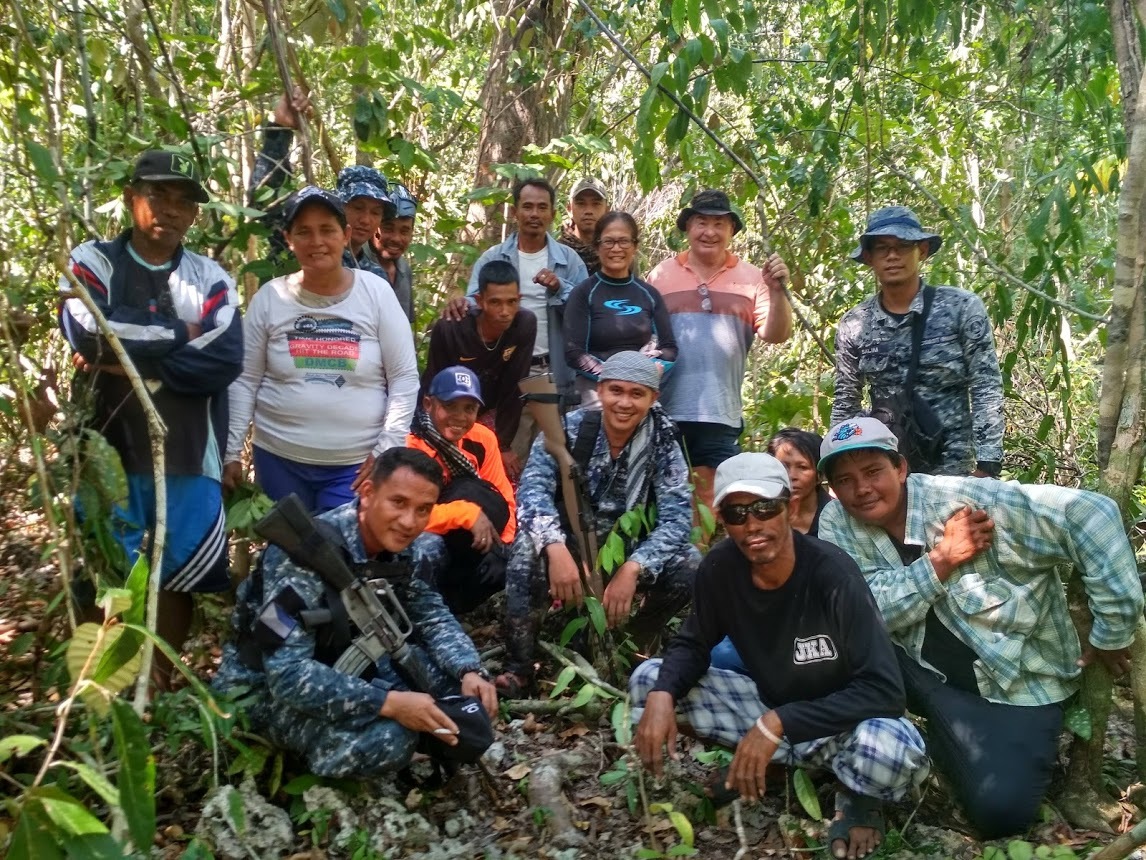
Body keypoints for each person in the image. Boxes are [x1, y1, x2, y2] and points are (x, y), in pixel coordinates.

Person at [817, 417, 1144, 838]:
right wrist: (943, 559)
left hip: (1013, 684)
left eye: (872, 471)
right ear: (832, 489)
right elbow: (863, 614)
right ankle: (867, 773)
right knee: (828, 643)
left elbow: (1092, 513)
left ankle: (946, 741)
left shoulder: (966, 502)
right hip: (914, 666)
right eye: (844, 480)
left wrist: (1112, 631)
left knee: (1001, 813)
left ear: (900, 468)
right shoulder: (838, 525)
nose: (861, 489)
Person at [632, 452, 928, 860]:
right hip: (768, 705)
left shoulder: (832, 573)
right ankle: (773, 766)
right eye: (737, 514)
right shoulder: (720, 569)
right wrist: (665, 694)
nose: (753, 525)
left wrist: (776, 724)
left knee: (889, 749)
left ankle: (857, 794)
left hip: (840, 726)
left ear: (789, 508)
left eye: (764, 508)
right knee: (650, 682)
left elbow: (885, 692)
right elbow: (694, 643)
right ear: (721, 519)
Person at [59, 149, 243, 686]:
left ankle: (158, 685)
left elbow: (225, 356)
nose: (170, 209)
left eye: (183, 200)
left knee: (181, 572)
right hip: (106, 448)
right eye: (157, 194)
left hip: (190, 448)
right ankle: (96, 691)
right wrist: (182, 335)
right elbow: (88, 330)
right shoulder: (95, 261)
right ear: (130, 197)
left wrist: (124, 357)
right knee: (105, 574)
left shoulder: (209, 276)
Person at [212, 448, 498, 779]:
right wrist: (387, 703)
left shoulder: (406, 550)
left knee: (463, 694)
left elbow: (430, 613)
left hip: (343, 665)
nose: (409, 522)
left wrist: (469, 669)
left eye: (423, 510)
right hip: (258, 693)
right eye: (398, 503)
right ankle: (307, 766)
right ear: (367, 493)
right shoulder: (301, 555)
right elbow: (285, 675)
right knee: (392, 738)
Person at [497, 352, 698, 697]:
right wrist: (554, 546)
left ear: (653, 399)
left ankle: (635, 642)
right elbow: (532, 492)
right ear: (601, 391)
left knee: (693, 565)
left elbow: (678, 519)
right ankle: (520, 666)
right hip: (571, 541)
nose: (624, 402)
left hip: (630, 547)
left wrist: (635, 567)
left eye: (637, 394)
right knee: (525, 549)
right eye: (616, 391)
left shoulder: (664, 441)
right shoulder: (570, 429)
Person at [224, 187, 419, 513]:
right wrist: (231, 451)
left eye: (327, 230)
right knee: (286, 553)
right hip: (278, 458)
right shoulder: (271, 298)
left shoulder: (375, 293)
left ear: (344, 235)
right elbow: (245, 380)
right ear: (289, 239)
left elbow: (403, 376)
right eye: (304, 231)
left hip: (355, 466)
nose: (317, 241)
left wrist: (387, 447)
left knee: (337, 556)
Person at [646, 189, 793, 514]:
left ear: (731, 231)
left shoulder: (754, 278)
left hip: (720, 413)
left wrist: (777, 292)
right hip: (665, 410)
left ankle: (701, 564)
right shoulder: (660, 275)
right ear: (687, 228)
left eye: (719, 223)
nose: (709, 232)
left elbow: (776, 334)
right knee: (663, 503)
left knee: (712, 511)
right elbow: (646, 340)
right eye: (701, 222)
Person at [831, 206, 1005, 477]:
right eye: (882, 248)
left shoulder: (961, 307)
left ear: (921, 251)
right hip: (885, 465)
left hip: (954, 466)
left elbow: (986, 387)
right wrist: (838, 463)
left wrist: (988, 464)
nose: (892, 256)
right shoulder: (854, 324)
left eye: (902, 246)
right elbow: (846, 401)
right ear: (869, 257)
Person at [443, 177, 589, 458]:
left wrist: (561, 287)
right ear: (515, 212)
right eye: (528, 207)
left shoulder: (568, 261)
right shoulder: (493, 259)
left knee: (557, 462)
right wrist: (458, 305)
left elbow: (586, 313)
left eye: (542, 208)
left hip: (556, 372)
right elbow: (475, 310)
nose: (534, 214)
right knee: (509, 457)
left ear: (553, 214)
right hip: (509, 372)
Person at [710, 427, 831, 674]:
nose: (792, 476)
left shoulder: (836, 519)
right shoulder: (749, 519)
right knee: (721, 656)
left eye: (803, 467)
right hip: (759, 619)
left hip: (817, 627)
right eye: (784, 466)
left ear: (819, 475)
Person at [248, 89, 389, 284]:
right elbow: (266, 199)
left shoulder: (374, 277)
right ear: (340, 207)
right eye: (357, 208)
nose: (365, 220)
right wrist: (281, 129)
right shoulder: (309, 249)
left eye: (376, 212)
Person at [407, 367, 516, 615]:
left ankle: (456, 608)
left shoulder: (483, 438)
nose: (459, 416)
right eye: (450, 406)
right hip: (424, 533)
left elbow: (503, 496)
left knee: (504, 561)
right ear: (428, 404)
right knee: (467, 494)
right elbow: (404, 518)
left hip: (475, 537)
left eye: (469, 408)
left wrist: (503, 547)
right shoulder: (411, 443)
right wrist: (461, 513)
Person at [422, 260, 537, 479]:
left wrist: (503, 445)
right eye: (495, 302)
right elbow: (431, 385)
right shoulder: (451, 328)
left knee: (501, 476)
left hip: (490, 411)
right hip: (449, 410)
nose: (505, 311)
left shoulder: (524, 324)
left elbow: (514, 387)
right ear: (479, 301)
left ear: (519, 300)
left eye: (511, 302)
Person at [563, 212, 677, 406]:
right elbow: (574, 353)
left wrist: (639, 374)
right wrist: (615, 376)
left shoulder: (649, 294)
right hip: (595, 393)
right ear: (597, 246)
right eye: (608, 241)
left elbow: (669, 349)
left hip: (640, 389)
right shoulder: (583, 293)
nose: (616, 248)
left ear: (635, 246)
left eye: (624, 241)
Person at [371, 180, 418, 322]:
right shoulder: (354, 265)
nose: (396, 238)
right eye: (388, 228)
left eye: (404, 231)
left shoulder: (404, 270)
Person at [558, 177, 610, 274]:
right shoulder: (558, 252)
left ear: (607, 210)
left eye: (596, 204)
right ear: (569, 209)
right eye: (581, 204)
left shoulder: (616, 252)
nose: (588, 211)